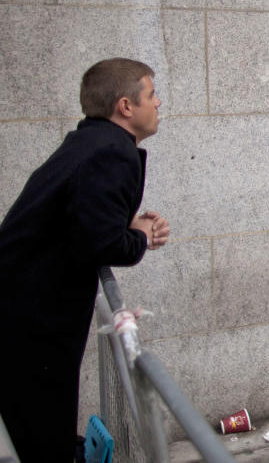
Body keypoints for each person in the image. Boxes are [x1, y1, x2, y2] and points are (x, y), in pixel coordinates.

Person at [0, 58, 170, 462]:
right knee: (40, 432)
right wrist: (138, 236)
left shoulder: (90, 142)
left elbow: (75, 214)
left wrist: (129, 222)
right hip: (33, 320)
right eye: (151, 94)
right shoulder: (111, 153)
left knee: (38, 424)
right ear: (125, 106)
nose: (159, 103)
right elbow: (103, 245)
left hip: (23, 310)